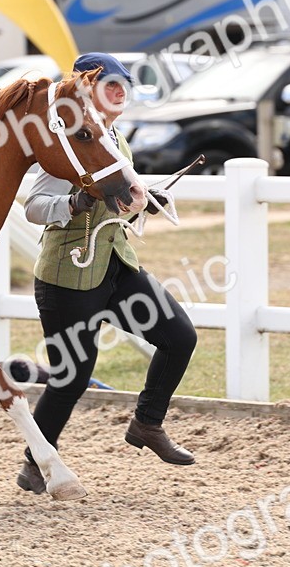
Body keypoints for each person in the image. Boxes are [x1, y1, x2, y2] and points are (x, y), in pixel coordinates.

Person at [18, 52, 198, 494]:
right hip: (68, 275)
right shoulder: (67, 141)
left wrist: (145, 200)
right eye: (110, 85)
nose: (120, 92)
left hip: (116, 267)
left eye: (124, 86)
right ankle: (34, 462)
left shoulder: (115, 137)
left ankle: (147, 423)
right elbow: (34, 207)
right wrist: (75, 203)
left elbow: (119, 203)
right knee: (72, 377)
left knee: (180, 336)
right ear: (87, 90)